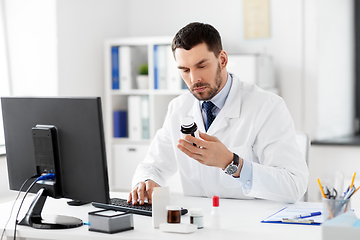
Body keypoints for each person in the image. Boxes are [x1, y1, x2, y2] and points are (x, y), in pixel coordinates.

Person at [127, 22, 308, 205]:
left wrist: (232, 163)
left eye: (202, 66)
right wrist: (145, 181)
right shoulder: (178, 108)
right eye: (185, 70)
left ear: (222, 60)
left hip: (251, 225)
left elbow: (294, 185)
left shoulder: (267, 106)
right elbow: (152, 166)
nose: (194, 79)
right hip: (197, 225)